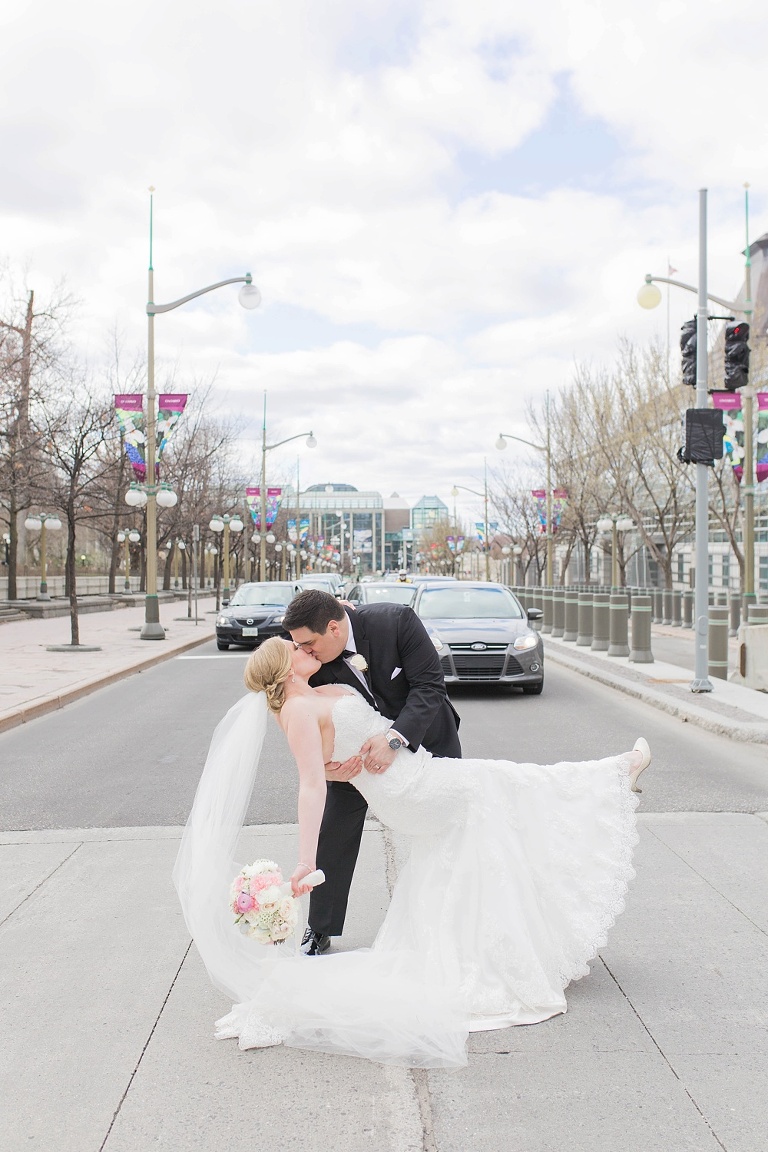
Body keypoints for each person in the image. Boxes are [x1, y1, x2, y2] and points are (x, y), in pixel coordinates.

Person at [173, 636, 651, 1070]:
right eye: (296, 649)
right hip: (409, 789)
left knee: (493, 806)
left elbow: (328, 762)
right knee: (503, 781)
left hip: (415, 773)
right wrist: (305, 860)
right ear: (286, 667)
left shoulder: (314, 695)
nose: (305, 649)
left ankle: (497, 943)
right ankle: (612, 776)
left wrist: (344, 767)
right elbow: (311, 784)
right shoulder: (297, 709)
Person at [281, 589, 461, 956]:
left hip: (427, 738)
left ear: (334, 628)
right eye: (298, 645)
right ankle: (320, 927)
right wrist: (329, 771)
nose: (304, 651)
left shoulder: (396, 621)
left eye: (308, 643)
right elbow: (304, 727)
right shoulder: (312, 661)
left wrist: (394, 738)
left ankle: (453, 913)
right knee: (334, 830)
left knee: (449, 826)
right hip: (356, 758)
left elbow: (429, 686)